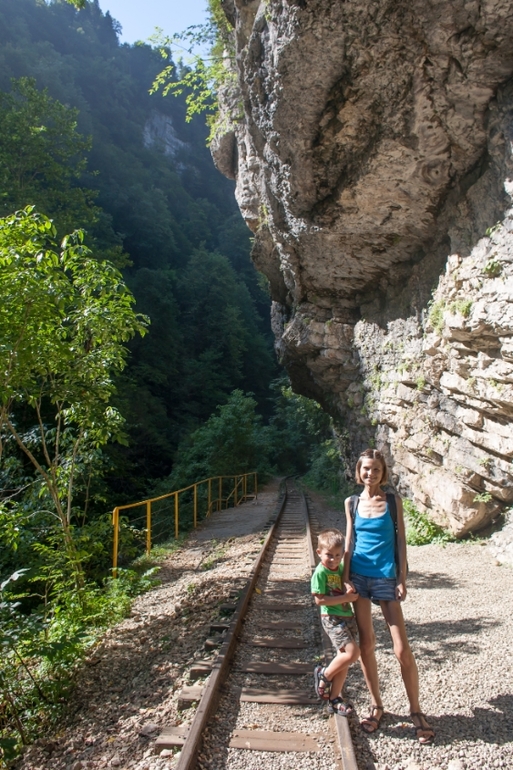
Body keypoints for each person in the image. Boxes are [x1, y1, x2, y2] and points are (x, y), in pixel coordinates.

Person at [343, 448, 435, 744]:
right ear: (359, 472)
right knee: (366, 644)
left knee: (401, 648)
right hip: (359, 577)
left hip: (386, 577)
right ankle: (376, 705)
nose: (370, 474)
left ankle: (416, 710)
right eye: (366, 469)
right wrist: (345, 578)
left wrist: (402, 579)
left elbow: (401, 541)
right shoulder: (352, 502)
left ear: (383, 473)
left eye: (376, 469)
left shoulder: (393, 501)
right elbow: (349, 541)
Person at [311, 528, 360, 715]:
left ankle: (334, 699)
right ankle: (324, 674)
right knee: (353, 653)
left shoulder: (341, 567)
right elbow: (319, 600)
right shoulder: (320, 572)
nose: (334, 559)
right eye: (329, 555)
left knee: (344, 659)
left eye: (338, 556)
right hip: (331, 617)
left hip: (346, 615)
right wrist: (345, 599)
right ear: (319, 553)